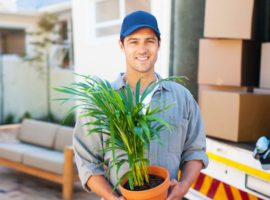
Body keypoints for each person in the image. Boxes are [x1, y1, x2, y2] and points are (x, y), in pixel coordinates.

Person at [73, 10, 208, 200]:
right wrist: (113, 198)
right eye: (134, 41)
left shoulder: (182, 98)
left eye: (149, 41)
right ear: (122, 46)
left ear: (159, 44)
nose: (142, 49)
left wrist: (184, 186)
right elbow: (86, 161)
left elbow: (195, 150)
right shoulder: (102, 102)